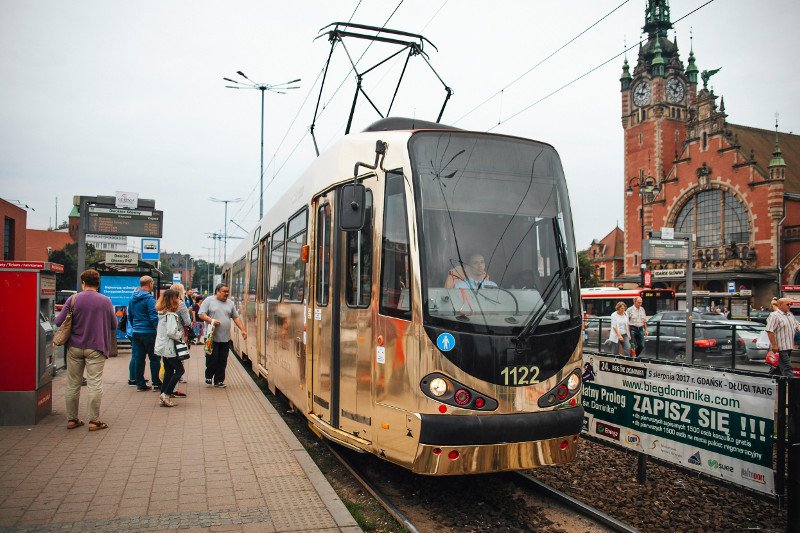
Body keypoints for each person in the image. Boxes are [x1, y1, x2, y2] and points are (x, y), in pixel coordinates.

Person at [54, 269, 116, 431]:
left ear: (83, 282)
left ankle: (72, 419)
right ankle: (94, 421)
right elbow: (114, 325)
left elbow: (58, 321)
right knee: (94, 383)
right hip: (96, 348)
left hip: (74, 347)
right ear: (98, 283)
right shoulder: (105, 301)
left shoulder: (73, 299)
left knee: (73, 384)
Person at [198, 283, 247, 388]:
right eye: (224, 291)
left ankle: (219, 381)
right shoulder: (208, 301)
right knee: (212, 358)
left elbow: (236, 317)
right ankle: (209, 375)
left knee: (222, 360)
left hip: (225, 338)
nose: (227, 293)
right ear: (217, 291)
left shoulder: (230, 303)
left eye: (227, 291)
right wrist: (211, 320)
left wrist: (243, 330)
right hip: (211, 337)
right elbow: (201, 314)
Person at [129, 275, 161, 391]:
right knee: (154, 358)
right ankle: (156, 383)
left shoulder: (132, 298)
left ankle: (140, 384)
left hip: (136, 332)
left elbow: (130, 316)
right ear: (150, 284)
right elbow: (153, 317)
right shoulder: (149, 299)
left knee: (139, 359)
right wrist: (158, 330)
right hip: (149, 332)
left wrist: (135, 327)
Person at [154, 289, 186, 407]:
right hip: (170, 348)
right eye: (177, 298)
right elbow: (171, 332)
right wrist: (180, 334)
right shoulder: (171, 315)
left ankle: (163, 394)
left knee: (168, 371)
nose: (179, 300)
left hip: (163, 347)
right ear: (173, 300)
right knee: (179, 371)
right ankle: (166, 394)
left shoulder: (162, 313)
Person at [765, 297, 800, 378]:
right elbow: (769, 330)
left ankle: (775, 382)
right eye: (787, 304)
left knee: (780, 367)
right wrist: (774, 345)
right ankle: (791, 386)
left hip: (789, 346)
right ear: (780, 305)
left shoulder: (790, 314)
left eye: (791, 304)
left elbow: (797, 326)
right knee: (787, 367)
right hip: (780, 347)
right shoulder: (774, 315)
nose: (789, 306)